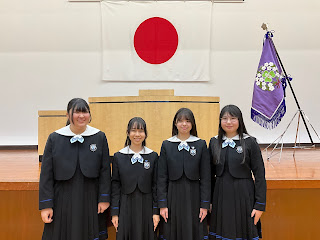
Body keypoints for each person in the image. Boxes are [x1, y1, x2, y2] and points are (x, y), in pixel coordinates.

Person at [39, 98, 111, 240]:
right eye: (77, 112)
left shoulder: (99, 137)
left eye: (85, 112)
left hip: (90, 196)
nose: (81, 116)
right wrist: (46, 205)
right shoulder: (55, 138)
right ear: (68, 115)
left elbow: (105, 171)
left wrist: (104, 198)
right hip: (63, 197)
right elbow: (46, 174)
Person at [208, 104, 266, 240]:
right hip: (220, 197)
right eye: (225, 118)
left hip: (244, 196)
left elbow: (259, 176)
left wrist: (259, 205)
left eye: (233, 118)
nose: (228, 122)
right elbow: (209, 176)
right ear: (220, 121)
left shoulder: (250, 142)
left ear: (240, 121)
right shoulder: (213, 142)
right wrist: (208, 202)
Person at [158, 108, 211, 240]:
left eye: (187, 121)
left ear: (192, 124)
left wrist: (204, 205)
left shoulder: (200, 144)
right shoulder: (166, 144)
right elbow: (161, 177)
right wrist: (163, 204)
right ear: (175, 124)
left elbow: (206, 177)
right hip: (172, 196)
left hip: (194, 196)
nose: (184, 124)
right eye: (180, 121)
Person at [111, 117, 160, 240]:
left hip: (147, 206)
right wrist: (115, 213)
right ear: (128, 133)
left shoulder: (153, 156)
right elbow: (115, 187)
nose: (137, 134)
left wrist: (155, 212)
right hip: (125, 206)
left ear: (145, 134)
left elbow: (156, 186)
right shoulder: (118, 156)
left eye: (141, 131)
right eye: (133, 130)